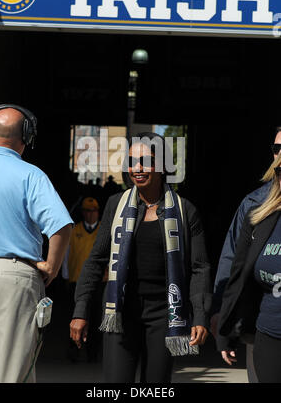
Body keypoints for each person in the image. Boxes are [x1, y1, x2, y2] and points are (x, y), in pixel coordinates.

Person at [70, 132, 212, 383]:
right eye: (132, 161)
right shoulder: (115, 205)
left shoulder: (184, 211)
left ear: (163, 165)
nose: (137, 168)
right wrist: (80, 311)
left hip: (164, 314)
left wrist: (200, 315)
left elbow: (199, 267)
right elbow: (96, 260)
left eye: (145, 160)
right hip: (120, 312)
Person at [0, 104, 73, 383]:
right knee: (12, 373)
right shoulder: (30, 175)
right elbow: (61, 225)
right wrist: (51, 267)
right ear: (26, 136)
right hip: (14, 276)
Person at [211, 127, 281, 382]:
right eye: (276, 148)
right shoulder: (254, 204)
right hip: (264, 326)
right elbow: (233, 261)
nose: (280, 154)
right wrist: (222, 310)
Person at [62, 197, 105, 361]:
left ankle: (93, 353)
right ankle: (73, 351)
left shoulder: (104, 230)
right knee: (74, 317)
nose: (90, 214)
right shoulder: (74, 230)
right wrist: (66, 276)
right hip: (76, 281)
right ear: (83, 213)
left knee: (95, 319)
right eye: (87, 211)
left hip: (99, 283)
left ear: (98, 212)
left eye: (93, 211)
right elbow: (66, 255)